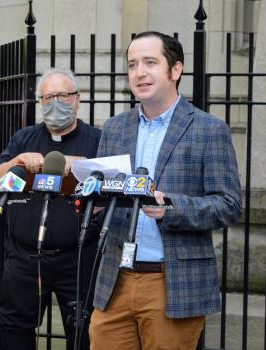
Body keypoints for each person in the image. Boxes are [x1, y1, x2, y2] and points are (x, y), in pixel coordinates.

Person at [88, 31, 242, 349]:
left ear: (175, 70)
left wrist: (170, 207)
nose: (139, 72)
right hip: (114, 280)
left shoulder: (208, 130)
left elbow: (228, 204)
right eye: (132, 64)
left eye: (150, 62)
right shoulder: (115, 128)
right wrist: (96, 201)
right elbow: (107, 192)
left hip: (171, 282)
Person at [0, 68, 101, 350]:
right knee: (14, 332)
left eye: (63, 95)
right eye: (48, 97)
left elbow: (113, 182)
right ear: (40, 102)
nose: (56, 103)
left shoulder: (98, 139)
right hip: (24, 257)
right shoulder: (24, 138)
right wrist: (17, 159)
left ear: (77, 99)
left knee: (84, 334)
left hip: (78, 259)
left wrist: (72, 163)